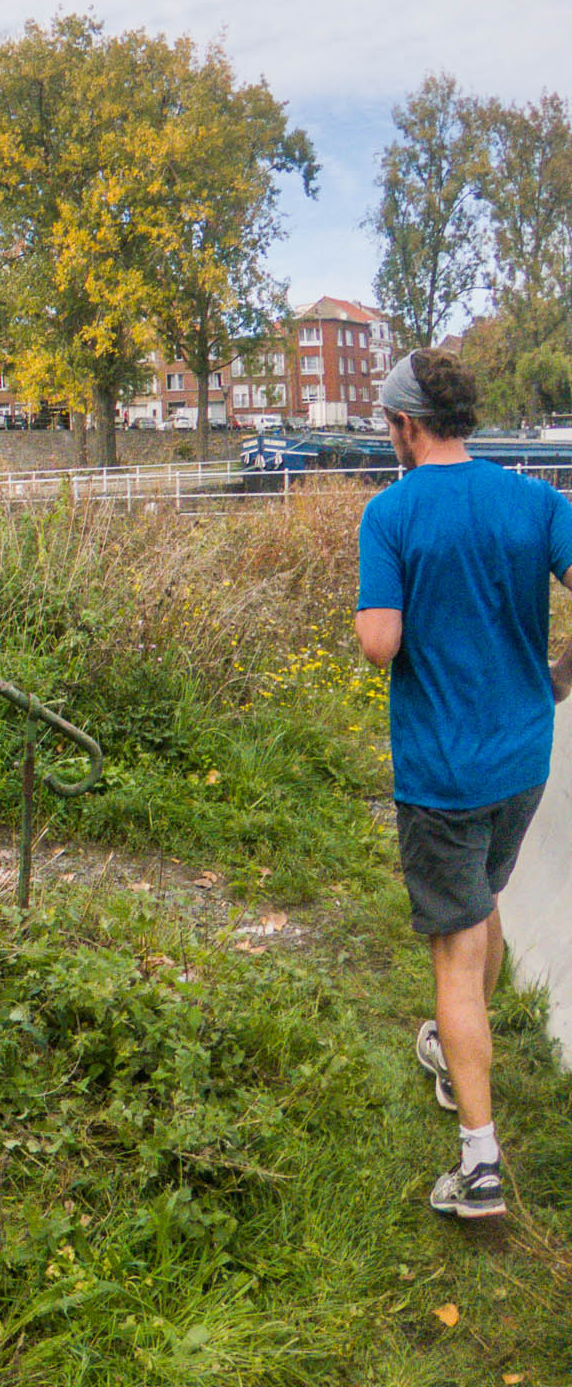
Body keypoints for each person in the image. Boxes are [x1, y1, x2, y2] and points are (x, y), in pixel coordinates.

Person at [354, 348, 572, 1221]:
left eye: (387, 424)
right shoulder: (538, 500)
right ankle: (456, 1053)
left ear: (406, 424)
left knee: (454, 946)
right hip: (523, 757)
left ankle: (480, 1165)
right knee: (482, 903)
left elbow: (379, 642)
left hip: (442, 769)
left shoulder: (392, 513)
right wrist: (559, 672)